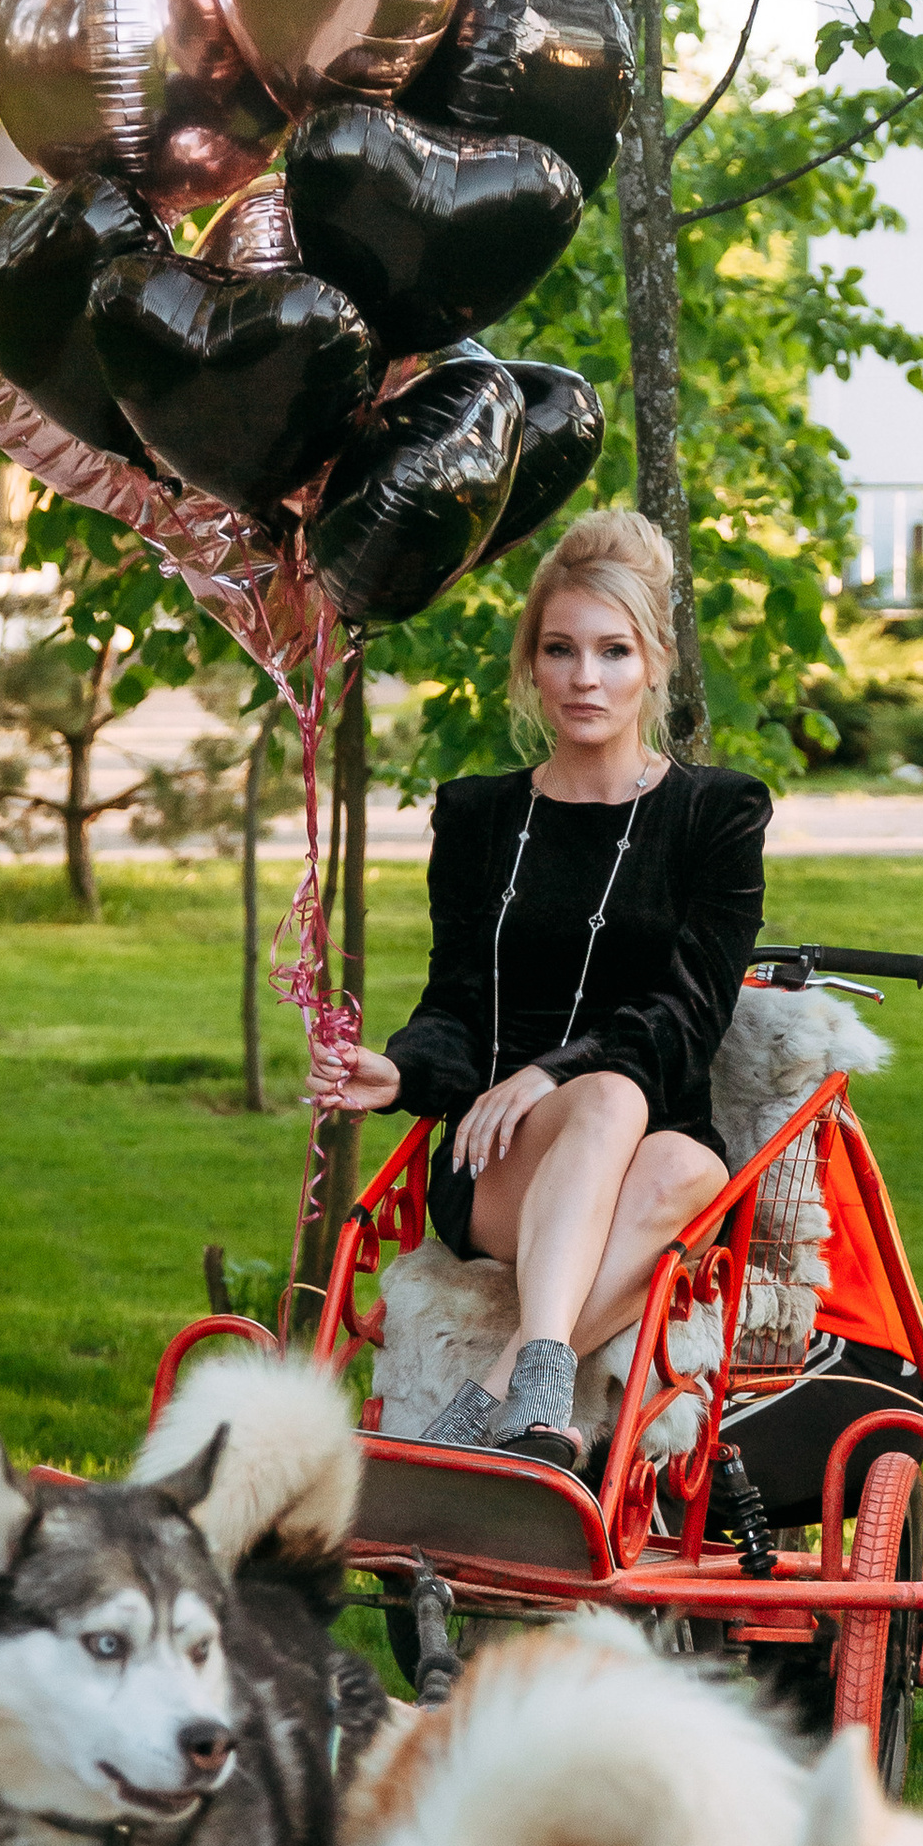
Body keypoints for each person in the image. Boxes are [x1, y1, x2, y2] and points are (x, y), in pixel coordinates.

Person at [337, 510, 770, 1468]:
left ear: (655, 664)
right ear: (530, 665)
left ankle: (498, 1395)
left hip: (655, 1144)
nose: (585, 678)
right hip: (504, 1162)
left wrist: (554, 1070)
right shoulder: (480, 817)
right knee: (606, 1098)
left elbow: (692, 1013)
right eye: (560, 649)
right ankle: (534, 1397)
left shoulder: (718, 814)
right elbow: (456, 1004)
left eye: (614, 652)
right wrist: (403, 1072)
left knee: (685, 1164)